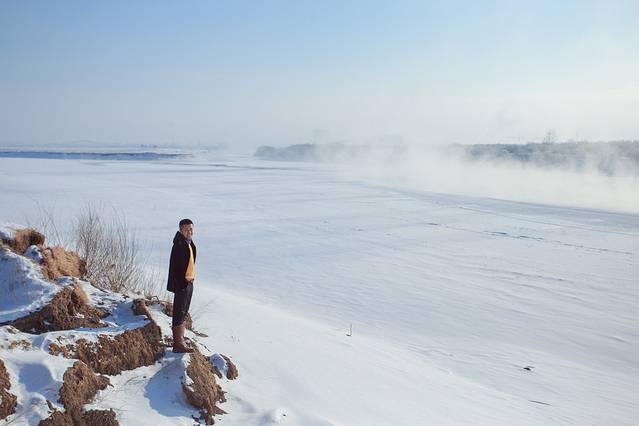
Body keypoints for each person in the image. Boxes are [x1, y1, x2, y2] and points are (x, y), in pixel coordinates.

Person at [167, 218, 196, 353]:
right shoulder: (179, 245)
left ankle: (181, 340)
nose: (189, 232)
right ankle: (178, 344)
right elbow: (176, 267)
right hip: (181, 284)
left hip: (188, 282)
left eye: (191, 229)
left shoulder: (188, 243)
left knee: (184, 312)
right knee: (179, 312)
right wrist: (182, 283)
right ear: (180, 230)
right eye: (186, 229)